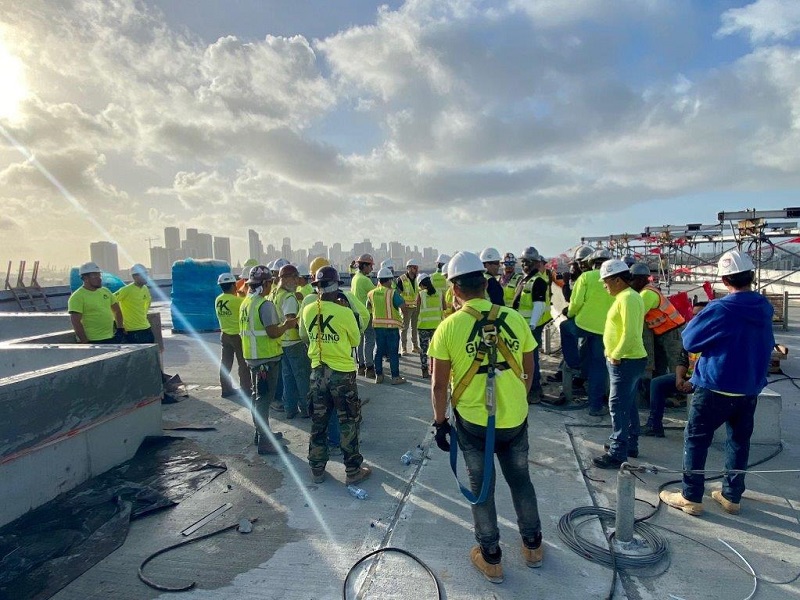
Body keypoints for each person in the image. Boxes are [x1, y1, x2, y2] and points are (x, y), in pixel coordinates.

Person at [428, 251, 542, 584]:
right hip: (514, 419)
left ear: (454, 289)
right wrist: (517, 399)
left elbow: (438, 385)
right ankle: (533, 545)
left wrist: (439, 422)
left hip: (474, 423)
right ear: (485, 284)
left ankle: (492, 557)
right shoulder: (514, 318)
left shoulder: (449, 327)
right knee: (521, 480)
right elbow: (529, 367)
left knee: (482, 487)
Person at [660, 250, 774, 516]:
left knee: (697, 440)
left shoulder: (721, 308)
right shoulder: (763, 307)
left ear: (724, 280)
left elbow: (690, 341)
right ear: (751, 276)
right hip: (749, 388)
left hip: (715, 387)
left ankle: (691, 497)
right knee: (738, 442)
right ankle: (731, 496)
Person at [300, 266, 371, 486]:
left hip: (318, 373)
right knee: (348, 421)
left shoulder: (308, 309)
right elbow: (356, 341)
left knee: (319, 422)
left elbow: (305, 336)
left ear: (316, 287)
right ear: (337, 286)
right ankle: (352, 470)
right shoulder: (344, 312)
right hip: (342, 375)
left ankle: (317, 468)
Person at [592, 260, 647, 469]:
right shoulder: (627, 297)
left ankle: (617, 452)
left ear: (617, 280)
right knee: (628, 404)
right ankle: (629, 443)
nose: (604, 285)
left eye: (606, 281)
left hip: (625, 360)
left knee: (617, 406)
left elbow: (631, 333)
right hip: (626, 359)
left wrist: (616, 354)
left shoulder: (628, 299)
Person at [239, 265, 296, 455]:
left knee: (258, 396)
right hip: (265, 358)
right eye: (270, 282)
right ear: (264, 284)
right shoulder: (265, 305)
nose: (272, 286)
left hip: (252, 357)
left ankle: (261, 433)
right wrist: (287, 325)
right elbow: (272, 332)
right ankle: (265, 441)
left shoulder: (246, 302)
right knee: (264, 399)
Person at [561, 249, 615, 415]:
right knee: (598, 367)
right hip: (605, 330)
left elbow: (575, 303)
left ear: (592, 263)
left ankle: (573, 363)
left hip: (583, 325)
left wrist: (569, 314)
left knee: (565, 328)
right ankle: (595, 406)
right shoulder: (615, 279)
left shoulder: (586, 277)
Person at [643, 304, 706, 437]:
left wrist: (693, 381)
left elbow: (711, 367)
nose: (696, 318)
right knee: (657, 383)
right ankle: (654, 425)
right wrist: (679, 378)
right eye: (694, 315)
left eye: (700, 314)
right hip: (690, 377)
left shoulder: (714, 336)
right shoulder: (691, 334)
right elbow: (682, 360)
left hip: (706, 381)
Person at [628, 262, 686, 404]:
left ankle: (681, 394)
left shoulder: (647, 294)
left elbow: (636, 314)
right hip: (662, 333)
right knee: (661, 364)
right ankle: (663, 391)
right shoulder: (646, 291)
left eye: (632, 279)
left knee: (675, 364)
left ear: (641, 279)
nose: (630, 283)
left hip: (672, 332)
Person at [510, 247, 552, 404]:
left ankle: (533, 390)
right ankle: (528, 386)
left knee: (530, 358)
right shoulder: (524, 279)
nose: (525, 265)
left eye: (528, 262)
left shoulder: (538, 281)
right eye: (523, 262)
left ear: (535, 263)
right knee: (524, 358)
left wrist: (533, 324)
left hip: (529, 328)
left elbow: (539, 305)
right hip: (522, 326)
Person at [274, 264, 311, 419]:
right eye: (295, 278)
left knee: (287, 377)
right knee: (302, 378)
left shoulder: (276, 294)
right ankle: (306, 409)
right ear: (287, 278)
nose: (297, 281)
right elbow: (291, 320)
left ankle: (290, 409)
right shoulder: (289, 297)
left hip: (282, 342)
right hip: (294, 342)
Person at [68, 262, 124, 344]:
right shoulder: (77, 297)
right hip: (94, 341)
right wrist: (85, 341)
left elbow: (117, 311)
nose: (99, 278)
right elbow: (76, 321)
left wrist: (120, 329)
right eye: (95, 276)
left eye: (99, 275)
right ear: (85, 278)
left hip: (111, 338)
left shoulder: (106, 291)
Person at [367, 267, 406, 384]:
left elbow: (368, 307)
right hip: (392, 328)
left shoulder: (371, 293)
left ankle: (378, 375)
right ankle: (395, 377)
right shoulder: (392, 293)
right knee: (393, 352)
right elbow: (402, 305)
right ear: (388, 280)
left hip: (378, 327)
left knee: (378, 351)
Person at [215, 272, 251, 398]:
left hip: (224, 334)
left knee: (225, 363)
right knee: (243, 364)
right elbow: (248, 305)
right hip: (237, 336)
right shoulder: (238, 301)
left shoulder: (218, 300)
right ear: (232, 285)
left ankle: (226, 389)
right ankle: (246, 389)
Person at [351, 253, 377, 379]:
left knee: (359, 342)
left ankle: (360, 367)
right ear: (365, 266)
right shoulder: (365, 280)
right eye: (370, 266)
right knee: (370, 341)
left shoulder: (355, 278)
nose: (372, 269)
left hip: (356, 315)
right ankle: (370, 367)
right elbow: (376, 294)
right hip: (367, 315)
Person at [415, 272, 444, 378]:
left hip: (423, 325)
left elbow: (416, 309)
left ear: (421, 285)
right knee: (436, 349)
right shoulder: (440, 293)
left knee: (423, 349)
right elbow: (444, 307)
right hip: (437, 326)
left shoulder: (420, 294)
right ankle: (435, 369)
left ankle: (424, 370)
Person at [116, 263, 154, 344]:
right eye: (143, 274)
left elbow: (147, 304)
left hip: (146, 327)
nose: (146, 276)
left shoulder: (145, 289)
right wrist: (119, 323)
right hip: (132, 330)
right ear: (135, 276)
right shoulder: (126, 290)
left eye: (146, 274)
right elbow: (110, 301)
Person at [396, 259, 421, 354]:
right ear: (409, 268)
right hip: (405, 307)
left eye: (417, 267)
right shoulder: (401, 279)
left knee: (414, 327)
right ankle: (404, 348)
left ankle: (415, 346)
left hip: (415, 306)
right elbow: (397, 294)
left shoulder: (418, 278)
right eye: (414, 267)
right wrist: (401, 306)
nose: (416, 269)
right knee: (404, 327)